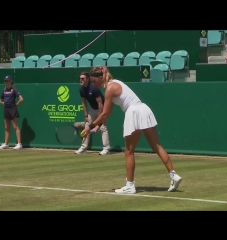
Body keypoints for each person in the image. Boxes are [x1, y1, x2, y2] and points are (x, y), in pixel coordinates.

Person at [81, 66, 182, 194]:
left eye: (94, 81)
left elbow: (105, 113)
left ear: (101, 77)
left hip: (133, 111)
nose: (94, 85)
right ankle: (173, 175)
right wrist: (97, 126)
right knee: (156, 146)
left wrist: (89, 126)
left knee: (129, 151)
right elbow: (108, 112)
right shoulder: (114, 83)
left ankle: (130, 185)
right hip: (144, 109)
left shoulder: (109, 89)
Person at [73, 72, 110, 155]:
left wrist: (101, 117)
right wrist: (86, 115)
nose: (81, 80)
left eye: (83, 78)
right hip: (92, 109)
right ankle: (83, 148)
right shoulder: (81, 89)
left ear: (87, 79)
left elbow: (100, 103)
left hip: (101, 109)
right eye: (80, 78)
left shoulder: (94, 88)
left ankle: (106, 149)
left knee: (103, 127)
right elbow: (83, 103)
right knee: (87, 126)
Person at [0, 75, 23, 150]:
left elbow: (21, 99)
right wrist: (4, 103)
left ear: (11, 81)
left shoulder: (14, 89)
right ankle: (6, 144)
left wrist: (16, 105)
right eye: (5, 81)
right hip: (6, 109)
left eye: (7, 81)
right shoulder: (4, 90)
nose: (6, 82)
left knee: (15, 126)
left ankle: (19, 144)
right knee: (7, 127)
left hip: (13, 109)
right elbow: (0, 101)